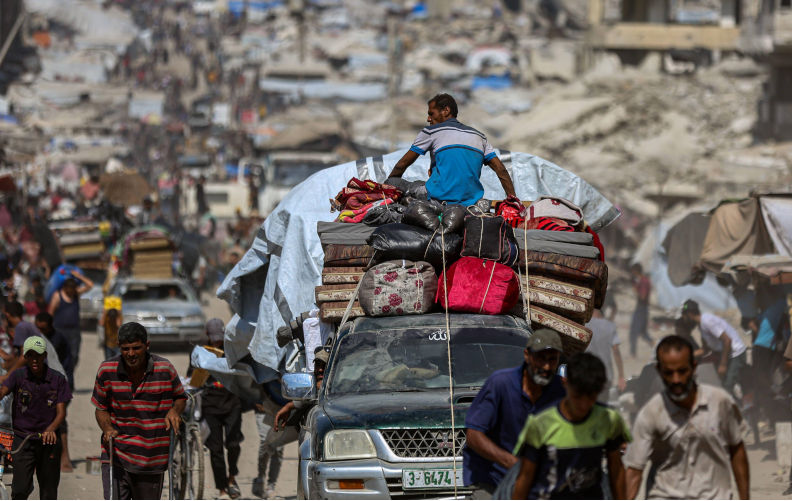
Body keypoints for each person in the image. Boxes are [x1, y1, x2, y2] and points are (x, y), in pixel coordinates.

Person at [624, 335, 750, 499]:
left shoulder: (720, 403)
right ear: (658, 371)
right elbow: (635, 469)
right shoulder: (651, 413)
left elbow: (737, 450)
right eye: (668, 373)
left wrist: (745, 496)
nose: (676, 379)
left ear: (694, 367)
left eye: (682, 371)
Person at [511, 352, 631, 500]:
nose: (584, 405)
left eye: (591, 397)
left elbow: (616, 470)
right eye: (577, 396)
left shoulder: (609, 420)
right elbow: (525, 476)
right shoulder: (541, 423)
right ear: (565, 383)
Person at [463, 329, 565, 499]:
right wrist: (512, 463)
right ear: (527, 355)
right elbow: (473, 436)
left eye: (552, 360)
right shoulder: (501, 384)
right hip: (492, 478)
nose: (546, 366)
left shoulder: (560, 390)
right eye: (540, 359)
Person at [91, 322, 186, 500]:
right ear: (119, 347)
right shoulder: (107, 370)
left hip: (152, 458)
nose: (131, 354)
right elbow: (101, 408)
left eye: (136, 348)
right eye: (126, 349)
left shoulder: (165, 369)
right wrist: (107, 428)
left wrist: (174, 411)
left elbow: (180, 397)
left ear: (147, 346)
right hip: (116, 454)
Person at [387, 93, 516, 207]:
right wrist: (514, 201)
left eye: (431, 114)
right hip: (471, 203)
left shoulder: (431, 132)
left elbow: (402, 165)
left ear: (446, 111)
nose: (428, 119)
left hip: (438, 199)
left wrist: (388, 187)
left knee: (394, 182)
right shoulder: (480, 136)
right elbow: (501, 170)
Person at [0, 336, 71, 500]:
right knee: (19, 490)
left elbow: (61, 412)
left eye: (38, 355)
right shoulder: (17, 376)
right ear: (25, 357)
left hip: (49, 441)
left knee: (48, 492)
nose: (34, 359)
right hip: (22, 439)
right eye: (30, 355)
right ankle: (26, 484)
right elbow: (3, 391)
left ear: (45, 356)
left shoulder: (57, 379)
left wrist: (51, 429)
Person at [200, 318, 243, 500]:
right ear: (208, 336)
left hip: (232, 403)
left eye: (220, 337)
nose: (217, 341)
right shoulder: (202, 353)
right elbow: (192, 378)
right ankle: (222, 489)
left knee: (233, 445)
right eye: (214, 338)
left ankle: (232, 477)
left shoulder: (232, 351)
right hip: (210, 406)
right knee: (215, 449)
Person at [33, 312, 74, 472]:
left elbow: (67, 364)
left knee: (60, 420)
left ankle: (65, 457)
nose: (40, 331)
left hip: (60, 382)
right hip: (41, 384)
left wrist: (67, 386)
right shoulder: (35, 337)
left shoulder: (58, 339)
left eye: (43, 328)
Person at [681, 299, 747, 397]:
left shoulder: (707, 321)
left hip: (736, 353)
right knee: (721, 384)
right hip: (727, 354)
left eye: (684, 316)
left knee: (727, 386)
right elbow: (705, 349)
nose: (684, 319)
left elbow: (727, 340)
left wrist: (723, 364)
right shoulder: (701, 326)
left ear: (690, 314)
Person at [48, 272, 93, 389]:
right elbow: (50, 313)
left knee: (74, 356)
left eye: (73, 289)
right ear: (65, 288)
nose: (71, 292)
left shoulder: (76, 295)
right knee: (58, 356)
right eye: (69, 289)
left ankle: (68, 378)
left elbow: (90, 285)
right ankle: (61, 381)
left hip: (74, 332)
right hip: (59, 330)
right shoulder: (57, 296)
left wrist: (79, 276)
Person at [252, 380, 292, 499]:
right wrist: (256, 399)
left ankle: (271, 486)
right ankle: (260, 477)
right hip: (263, 408)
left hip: (281, 409)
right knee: (265, 442)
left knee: (278, 447)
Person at [585, 309, 626, 400]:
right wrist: (621, 376)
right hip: (605, 374)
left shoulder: (583, 325)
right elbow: (616, 352)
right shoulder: (610, 326)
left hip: (586, 372)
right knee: (602, 406)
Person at [628, 263, 652, 357]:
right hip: (642, 308)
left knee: (634, 332)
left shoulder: (644, 282)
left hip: (641, 309)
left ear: (636, 271)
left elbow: (642, 297)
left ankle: (633, 354)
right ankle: (656, 346)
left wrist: (635, 289)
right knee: (644, 333)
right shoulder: (643, 281)